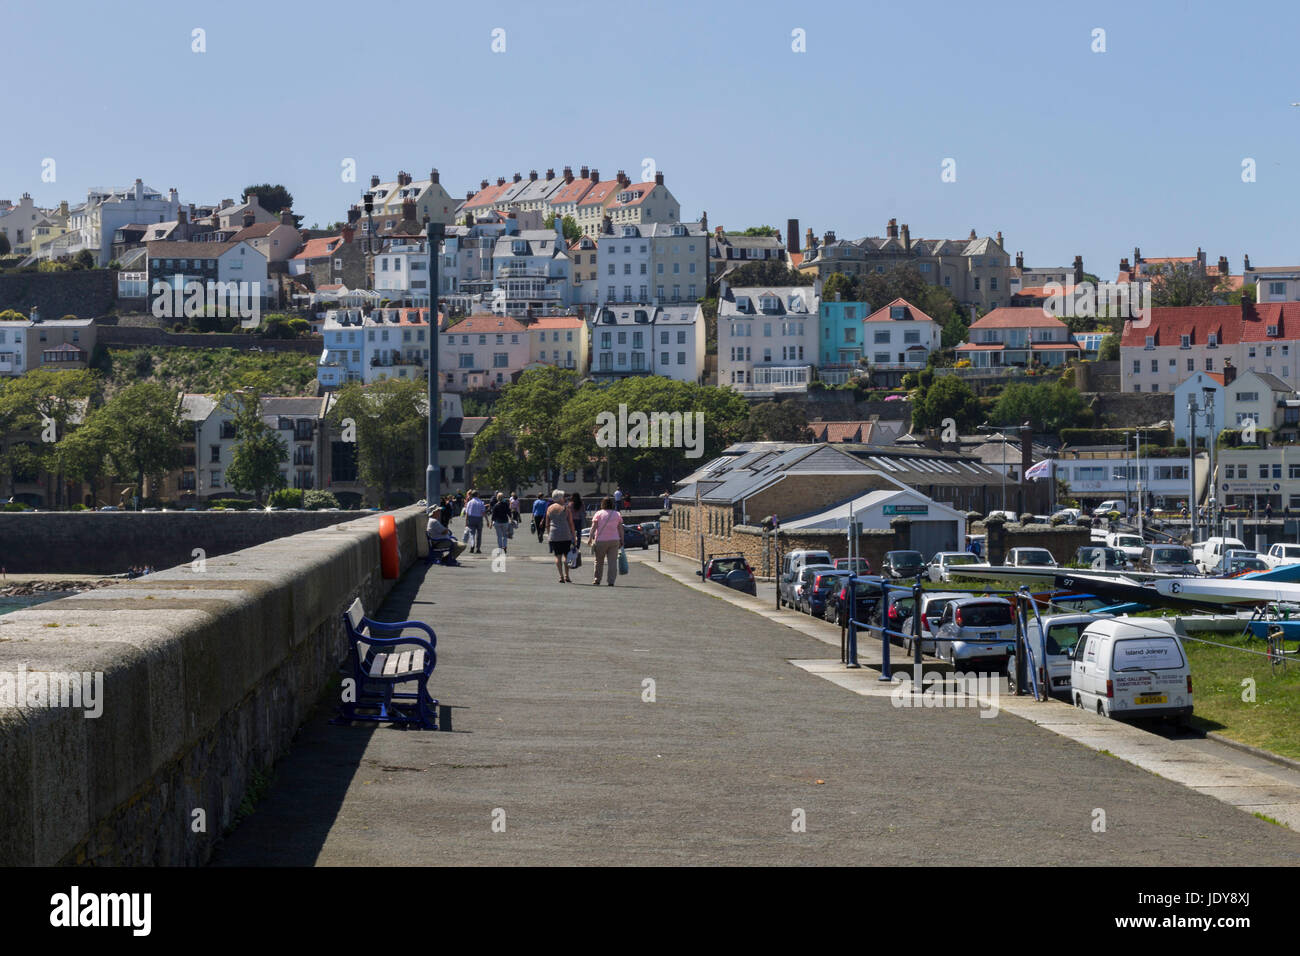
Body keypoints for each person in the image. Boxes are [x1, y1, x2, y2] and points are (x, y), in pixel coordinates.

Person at [587, 496, 626, 585]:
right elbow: (620, 529)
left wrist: (590, 538)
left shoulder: (598, 514)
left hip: (601, 540)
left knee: (599, 561)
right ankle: (611, 581)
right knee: (612, 562)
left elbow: (593, 527)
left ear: (602, 504)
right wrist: (622, 540)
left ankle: (597, 579)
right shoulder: (617, 514)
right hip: (614, 540)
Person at [543, 489, 575, 583]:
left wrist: (549, 535)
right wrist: (574, 536)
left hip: (554, 534)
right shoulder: (566, 508)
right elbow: (571, 523)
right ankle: (567, 576)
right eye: (563, 497)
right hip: (565, 534)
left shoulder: (549, 508)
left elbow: (547, 524)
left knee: (558, 556)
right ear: (560, 498)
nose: (565, 498)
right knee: (566, 556)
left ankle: (560, 576)